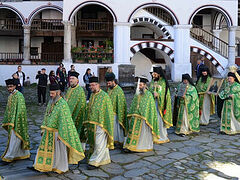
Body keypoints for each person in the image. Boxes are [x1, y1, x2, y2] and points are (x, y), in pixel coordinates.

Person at [32, 84, 85, 173]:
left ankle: (61, 167)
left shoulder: (63, 104)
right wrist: (44, 127)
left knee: (59, 152)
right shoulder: (51, 102)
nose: (51, 95)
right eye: (50, 93)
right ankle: (46, 166)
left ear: (58, 93)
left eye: (53, 93)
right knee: (46, 150)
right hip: (48, 130)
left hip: (58, 132)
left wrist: (61, 133)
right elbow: (46, 115)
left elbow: (65, 120)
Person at [84, 76, 114, 170]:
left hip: (101, 124)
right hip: (93, 124)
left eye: (93, 85)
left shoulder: (105, 96)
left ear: (98, 85)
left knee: (99, 143)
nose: (91, 87)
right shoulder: (92, 95)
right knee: (98, 144)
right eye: (90, 85)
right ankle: (105, 158)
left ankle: (95, 162)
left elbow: (108, 112)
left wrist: (106, 124)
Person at [123, 76, 160, 152]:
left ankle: (140, 147)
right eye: (138, 85)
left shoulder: (149, 95)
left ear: (145, 85)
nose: (139, 87)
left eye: (141, 85)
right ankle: (130, 146)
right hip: (135, 116)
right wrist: (132, 113)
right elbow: (133, 104)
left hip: (144, 118)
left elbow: (150, 108)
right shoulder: (137, 94)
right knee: (132, 131)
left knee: (142, 133)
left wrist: (143, 114)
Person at [1, 79, 30, 164]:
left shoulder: (19, 95)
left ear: (15, 86)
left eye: (10, 86)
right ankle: (24, 154)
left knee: (14, 139)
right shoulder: (11, 96)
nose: (9, 88)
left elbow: (21, 110)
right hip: (12, 120)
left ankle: (9, 157)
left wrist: (15, 120)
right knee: (17, 139)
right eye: (8, 87)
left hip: (17, 121)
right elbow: (8, 109)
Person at [149, 66, 173, 143]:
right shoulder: (153, 81)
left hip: (160, 104)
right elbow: (150, 89)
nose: (153, 75)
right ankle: (153, 135)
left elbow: (164, 93)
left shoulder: (163, 82)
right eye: (153, 73)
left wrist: (158, 95)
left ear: (159, 74)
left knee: (159, 119)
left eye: (155, 74)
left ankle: (160, 135)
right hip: (153, 102)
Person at [105, 73, 128, 146]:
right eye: (107, 83)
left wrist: (119, 114)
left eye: (109, 83)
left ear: (113, 81)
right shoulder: (109, 89)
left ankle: (119, 142)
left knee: (117, 129)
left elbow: (121, 104)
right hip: (109, 113)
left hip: (116, 114)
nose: (108, 84)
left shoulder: (119, 90)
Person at [65, 71, 87, 142]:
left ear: (77, 80)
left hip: (77, 116)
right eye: (70, 78)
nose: (71, 80)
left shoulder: (79, 90)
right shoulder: (69, 89)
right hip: (69, 114)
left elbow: (73, 104)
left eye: (73, 78)